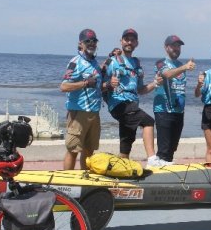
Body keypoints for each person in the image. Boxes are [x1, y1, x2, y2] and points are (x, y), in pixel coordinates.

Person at [104, 28, 161, 164]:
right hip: (119, 104)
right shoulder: (113, 61)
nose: (129, 42)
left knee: (126, 142)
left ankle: (122, 168)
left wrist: (155, 83)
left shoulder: (136, 64)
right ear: (121, 41)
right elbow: (98, 82)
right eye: (126, 39)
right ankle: (152, 159)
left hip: (132, 104)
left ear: (137, 43)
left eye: (132, 40)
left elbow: (140, 90)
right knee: (148, 122)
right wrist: (109, 83)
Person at [60, 28, 103, 170]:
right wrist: (84, 83)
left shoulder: (95, 63)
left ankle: (85, 181)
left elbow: (96, 85)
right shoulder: (75, 62)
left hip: (94, 113)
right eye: (88, 41)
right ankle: (67, 182)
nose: (91, 43)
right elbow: (64, 86)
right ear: (81, 44)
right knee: (73, 150)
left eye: (94, 41)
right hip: (78, 113)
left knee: (89, 151)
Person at [153, 35, 195, 165]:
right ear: (166, 47)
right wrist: (184, 68)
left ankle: (167, 171)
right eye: (173, 46)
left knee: (172, 147)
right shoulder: (161, 63)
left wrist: (184, 67)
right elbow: (166, 75)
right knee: (164, 149)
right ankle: (160, 174)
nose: (176, 48)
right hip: (164, 111)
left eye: (178, 46)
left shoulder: (181, 65)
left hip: (178, 111)